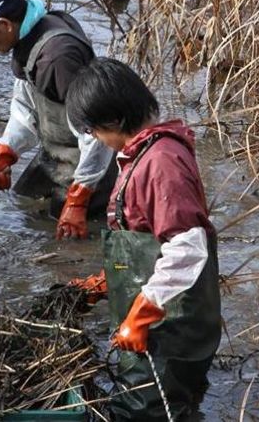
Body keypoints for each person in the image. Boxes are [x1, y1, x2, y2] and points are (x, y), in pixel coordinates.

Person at [67, 58, 221, 420]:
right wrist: (109, 282)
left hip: (172, 324)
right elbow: (147, 239)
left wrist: (142, 312)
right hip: (162, 314)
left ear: (116, 120)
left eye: (93, 128)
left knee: (144, 411)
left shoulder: (161, 163)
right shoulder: (143, 154)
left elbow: (187, 245)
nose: (92, 138)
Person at [0, 0, 115, 240]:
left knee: (68, 236)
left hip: (90, 162)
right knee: (23, 200)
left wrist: (79, 197)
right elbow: (25, 106)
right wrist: (6, 151)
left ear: (4, 25)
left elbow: (98, 132)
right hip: (56, 151)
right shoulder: (29, 37)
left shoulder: (57, 60)